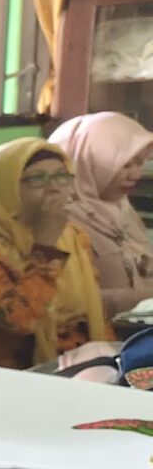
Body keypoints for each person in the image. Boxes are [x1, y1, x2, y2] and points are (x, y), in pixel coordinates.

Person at [0, 137, 114, 369]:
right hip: (10, 374)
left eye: (61, 176)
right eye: (38, 179)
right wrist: (45, 248)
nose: (54, 187)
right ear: (6, 190)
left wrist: (114, 360)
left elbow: (94, 313)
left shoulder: (74, 238)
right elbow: (19, 320)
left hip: (79, 362)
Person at [49, 111, 153, 316]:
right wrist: (142, 298)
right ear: (87, 161)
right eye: (125, 165)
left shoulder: (121, 209)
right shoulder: (58, 222)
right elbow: (65, 301)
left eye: (140, 163)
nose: (136, 175)